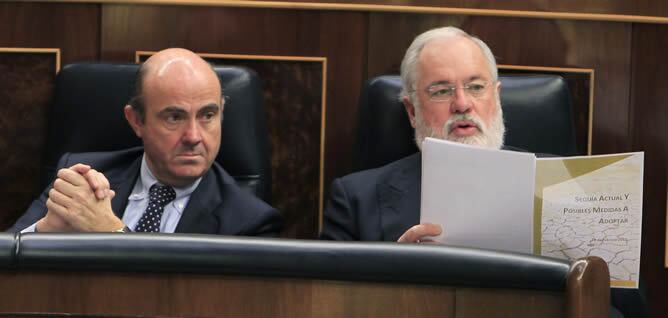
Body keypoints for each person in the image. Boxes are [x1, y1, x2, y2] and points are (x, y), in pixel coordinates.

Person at [8, 48, 282, 236]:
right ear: (136, 121)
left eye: (208, 115)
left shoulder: (249, 222)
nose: (194, 136)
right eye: (175, 117)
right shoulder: (83, 175)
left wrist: (112, 233)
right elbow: (8, 257)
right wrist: (44, 231)